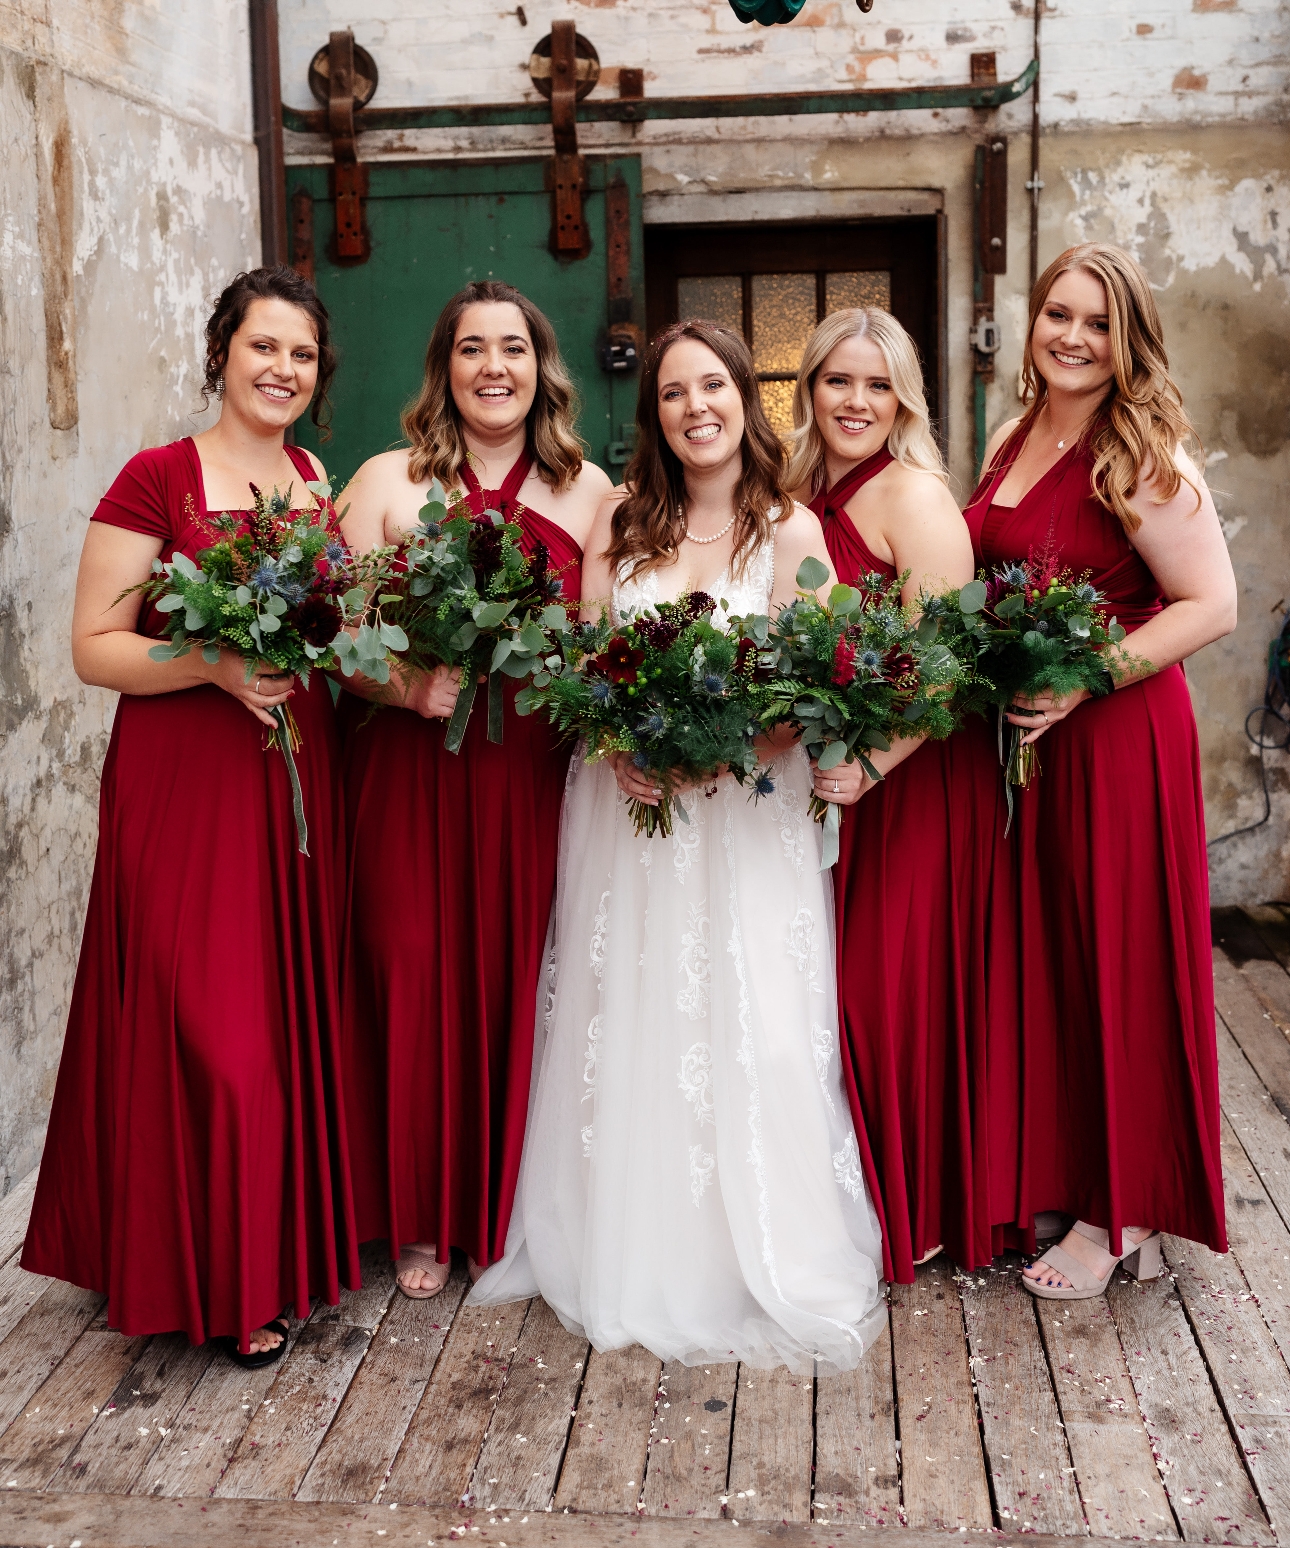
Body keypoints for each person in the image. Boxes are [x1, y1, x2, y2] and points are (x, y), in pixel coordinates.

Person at [470, 320, 886, 1371]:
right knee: (640, 1011)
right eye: (671, 393)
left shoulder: (791, 530)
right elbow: (588, 661)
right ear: (652, 414)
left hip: (746, 812)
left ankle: (755, 1251)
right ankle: (629, 1243)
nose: (696, 407)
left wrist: (732, 745)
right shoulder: (623, 519)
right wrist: (618, 745)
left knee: (758, 1020)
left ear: (747, 397)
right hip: (634, 815)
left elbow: (812, 678)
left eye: (713, 385)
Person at [21, 266, 359, 1364]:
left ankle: (276, 1256)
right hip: (184, 782)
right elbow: (94, 647)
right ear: (220, 352)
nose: (282, 370)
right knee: (211, 1032)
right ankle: (214, 1278)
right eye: (263, 347)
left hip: (295, 782)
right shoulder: (158, 476)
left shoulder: (315, 481)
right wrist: (210, 662)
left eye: (302, 355)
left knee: (278, 1021)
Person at [964, 243, 1236, 1300]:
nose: (1071, 337)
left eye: (1096, 322)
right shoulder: (1015, 433)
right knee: (1052, 954)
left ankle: (1118, 1210)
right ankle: (1067, 1168)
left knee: (1116, 953)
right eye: (1056, 315)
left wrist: (1086, 678)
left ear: (1129, 342)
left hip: (1118, 733)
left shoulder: (1143, 452)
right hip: (1032, 739)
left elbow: (1210, 604)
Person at [337, 281, 611, 1298]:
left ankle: (498, 1205)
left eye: (513, 349)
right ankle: (417, 1218)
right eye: (471, 350)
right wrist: (405, 682)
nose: (493, 368)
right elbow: (334, 633)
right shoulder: (384, 480)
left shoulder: (590, 492)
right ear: (443, 369)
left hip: (526, 774)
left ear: (543, 368)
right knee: (409, 967)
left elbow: (602, 642)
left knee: (513, 972)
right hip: (409, 766)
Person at [785, 307, 1010, 1283]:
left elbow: (954, 662)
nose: (857, 402)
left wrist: (876, 763)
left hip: (915, 776)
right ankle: (846, 1196)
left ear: (903, 399)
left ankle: (915, 1205)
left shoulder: (913, 497)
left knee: (887, 989)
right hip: (831, 776)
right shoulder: (792, 491)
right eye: (840, 381)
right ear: (810, 391)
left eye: (878, 386)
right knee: (822, 990)